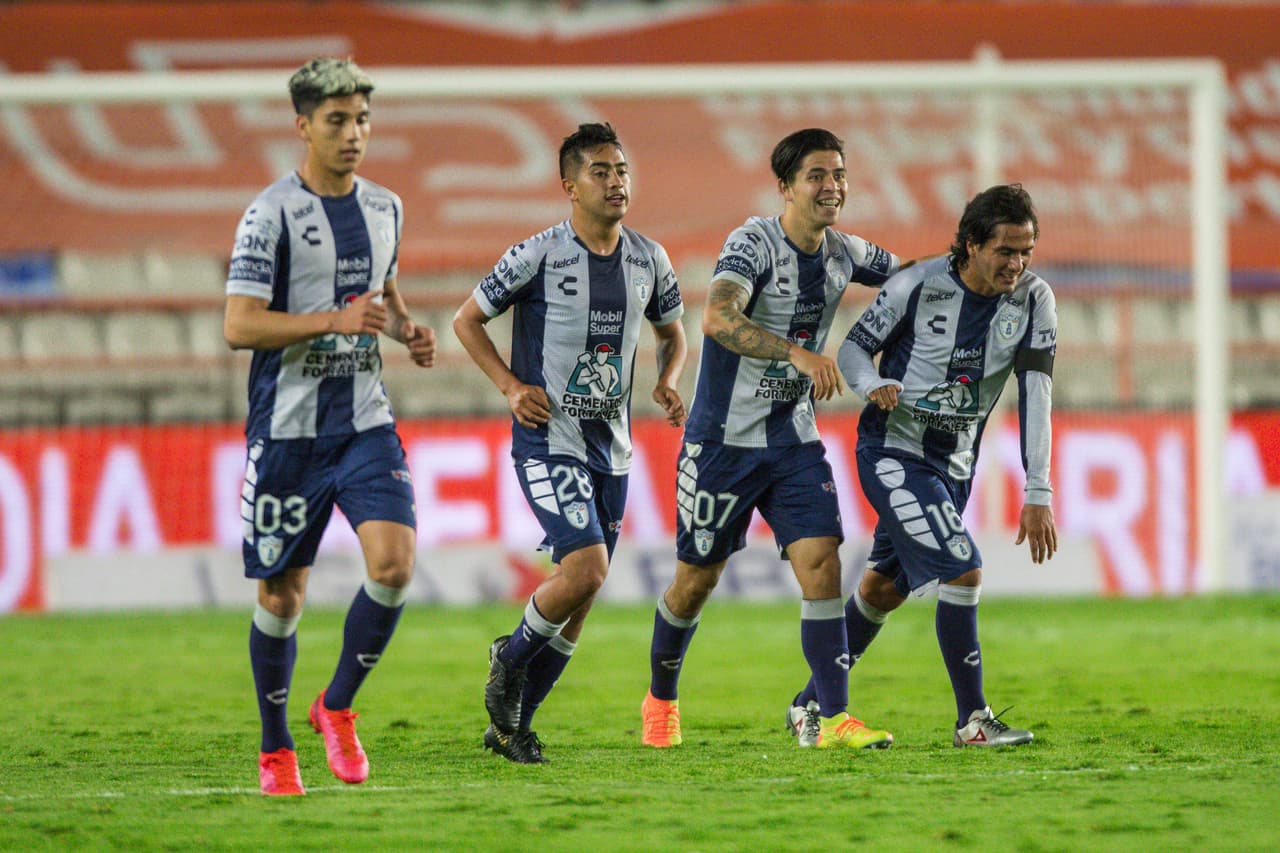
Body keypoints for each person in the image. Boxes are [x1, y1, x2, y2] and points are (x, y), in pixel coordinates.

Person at [641, 128, 915, 751]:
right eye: (817, 175)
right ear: (786, 187)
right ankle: (660, 699)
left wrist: (972, 267)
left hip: (793, 441)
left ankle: (830, 718)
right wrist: (797, 353)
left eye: (839, 174)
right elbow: (718, 317)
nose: (832, 186)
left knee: (822, 562)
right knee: (695, 581)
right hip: (722, 443)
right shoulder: (754, 242)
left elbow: (910, 277)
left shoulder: (844, 251)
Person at [223, 57, 436, 796]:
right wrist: (332, 322)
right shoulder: (270, 214)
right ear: (303, 126)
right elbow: (239, 325)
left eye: (363, 119)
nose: (354, 134)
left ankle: (336, 705)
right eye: (338, 120)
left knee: (395, 565)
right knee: (282, 596)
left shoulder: (386, 207)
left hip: (364, 421)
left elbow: (384, 288)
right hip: (287, 431)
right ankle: (275, 745)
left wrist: (406, 329)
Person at [784, 182, 1058, 748]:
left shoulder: (1035, 300)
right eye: (1005, 251)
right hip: (894, 451)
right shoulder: (917, 284)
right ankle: (973, 720)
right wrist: (871, 383)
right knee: (963, 567)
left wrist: (1038, 490)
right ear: (972, 245)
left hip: (955, 466)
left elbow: (1037, 392)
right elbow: (855, 347)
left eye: (1026, 251)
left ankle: (808, 705)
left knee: (882, 591)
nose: (1017, 263)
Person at [453, 122, 687, 764]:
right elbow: (467, 320)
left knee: (580, 597)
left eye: (622, 170)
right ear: (570, 186)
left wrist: (668, 380)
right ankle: (508, 657)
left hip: (614, 451)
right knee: (586, 569)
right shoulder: (537, 255)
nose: (616, 182)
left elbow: (673, 332)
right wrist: (509, 386)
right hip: (548, 440)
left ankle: (512, 728)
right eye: (600, 172)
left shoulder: (650, 258)